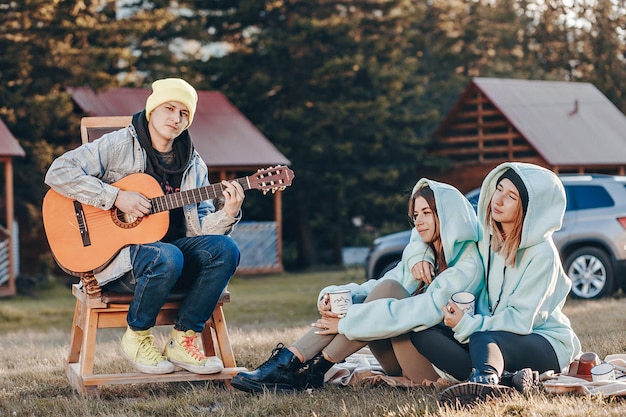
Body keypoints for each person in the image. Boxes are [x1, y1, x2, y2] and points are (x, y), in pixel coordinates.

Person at [45, 78, 245, 375]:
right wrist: (115, 197)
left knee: (226, 249)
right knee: (166, 255)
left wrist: (228, 213)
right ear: (152, 109)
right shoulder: (119, 144)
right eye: (169, 108)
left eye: (184, 113)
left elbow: (201, 233)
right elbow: (58, 171)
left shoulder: (194, 164)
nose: (175, 118)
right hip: (124, 265)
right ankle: (137, 337)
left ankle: (184, 339)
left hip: (173, 261)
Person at [230, 178, 484, 393]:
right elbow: (379, 286)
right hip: (398, 357)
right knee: (384, 291)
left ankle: (307, 369)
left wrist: (345, 322)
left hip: (432, 366)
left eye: (427, 213)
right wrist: (340, 296)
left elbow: (420, 311)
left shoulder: (468, 266)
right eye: (416, 214)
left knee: (389, 297)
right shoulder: (424, 255)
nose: (418, 221)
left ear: (447, 215)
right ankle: (292, 363)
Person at [409, 162, 583, 406]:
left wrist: (469, 324)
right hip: (490, 334)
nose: (497, 200)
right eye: (498, 189)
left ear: (528, 208)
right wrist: (421, 256)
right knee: (424, 332)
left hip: (543, 341)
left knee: (482, 337)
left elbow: (520, 321)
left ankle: (486, 386)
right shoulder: (485, 235)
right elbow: (437, 225)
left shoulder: (543, 254)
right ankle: (509, 381)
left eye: (510, 196)